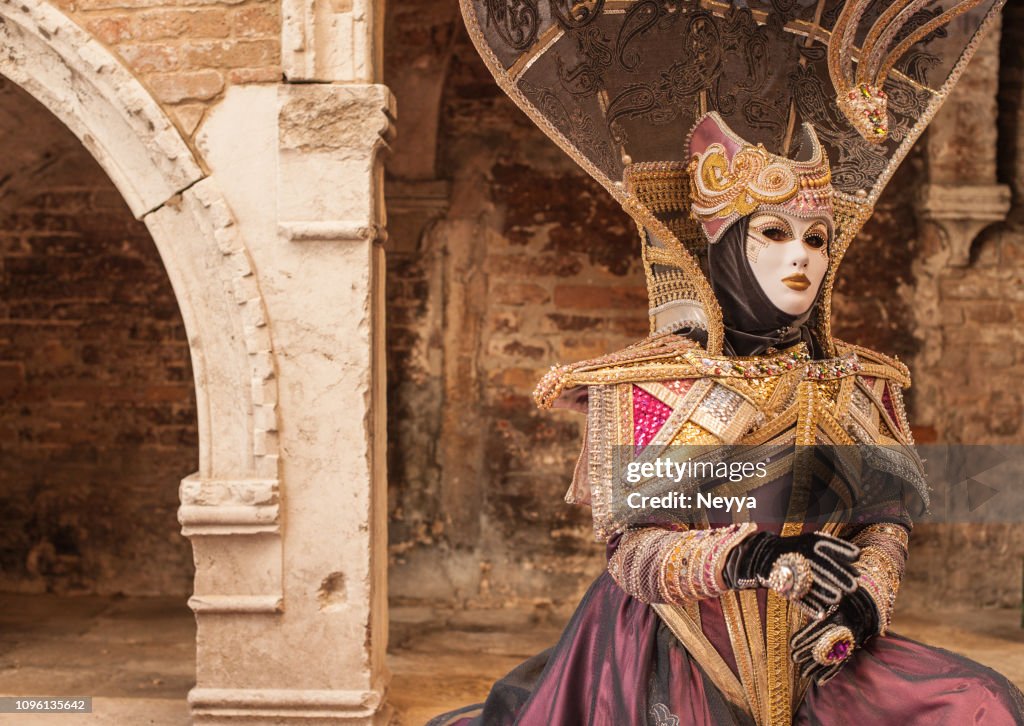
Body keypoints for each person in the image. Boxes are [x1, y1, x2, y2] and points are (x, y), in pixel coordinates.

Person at [430, 0, 1023, 723]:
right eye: (772, 233)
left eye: (816, 239)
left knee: (985, 705)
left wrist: (866, 598)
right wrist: (742, 559)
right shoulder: (654, 384)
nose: (800, 257)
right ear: (727, 249)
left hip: (816, 644)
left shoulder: (861, 384)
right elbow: (632, 553)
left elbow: (883, 521)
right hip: (674, 647)